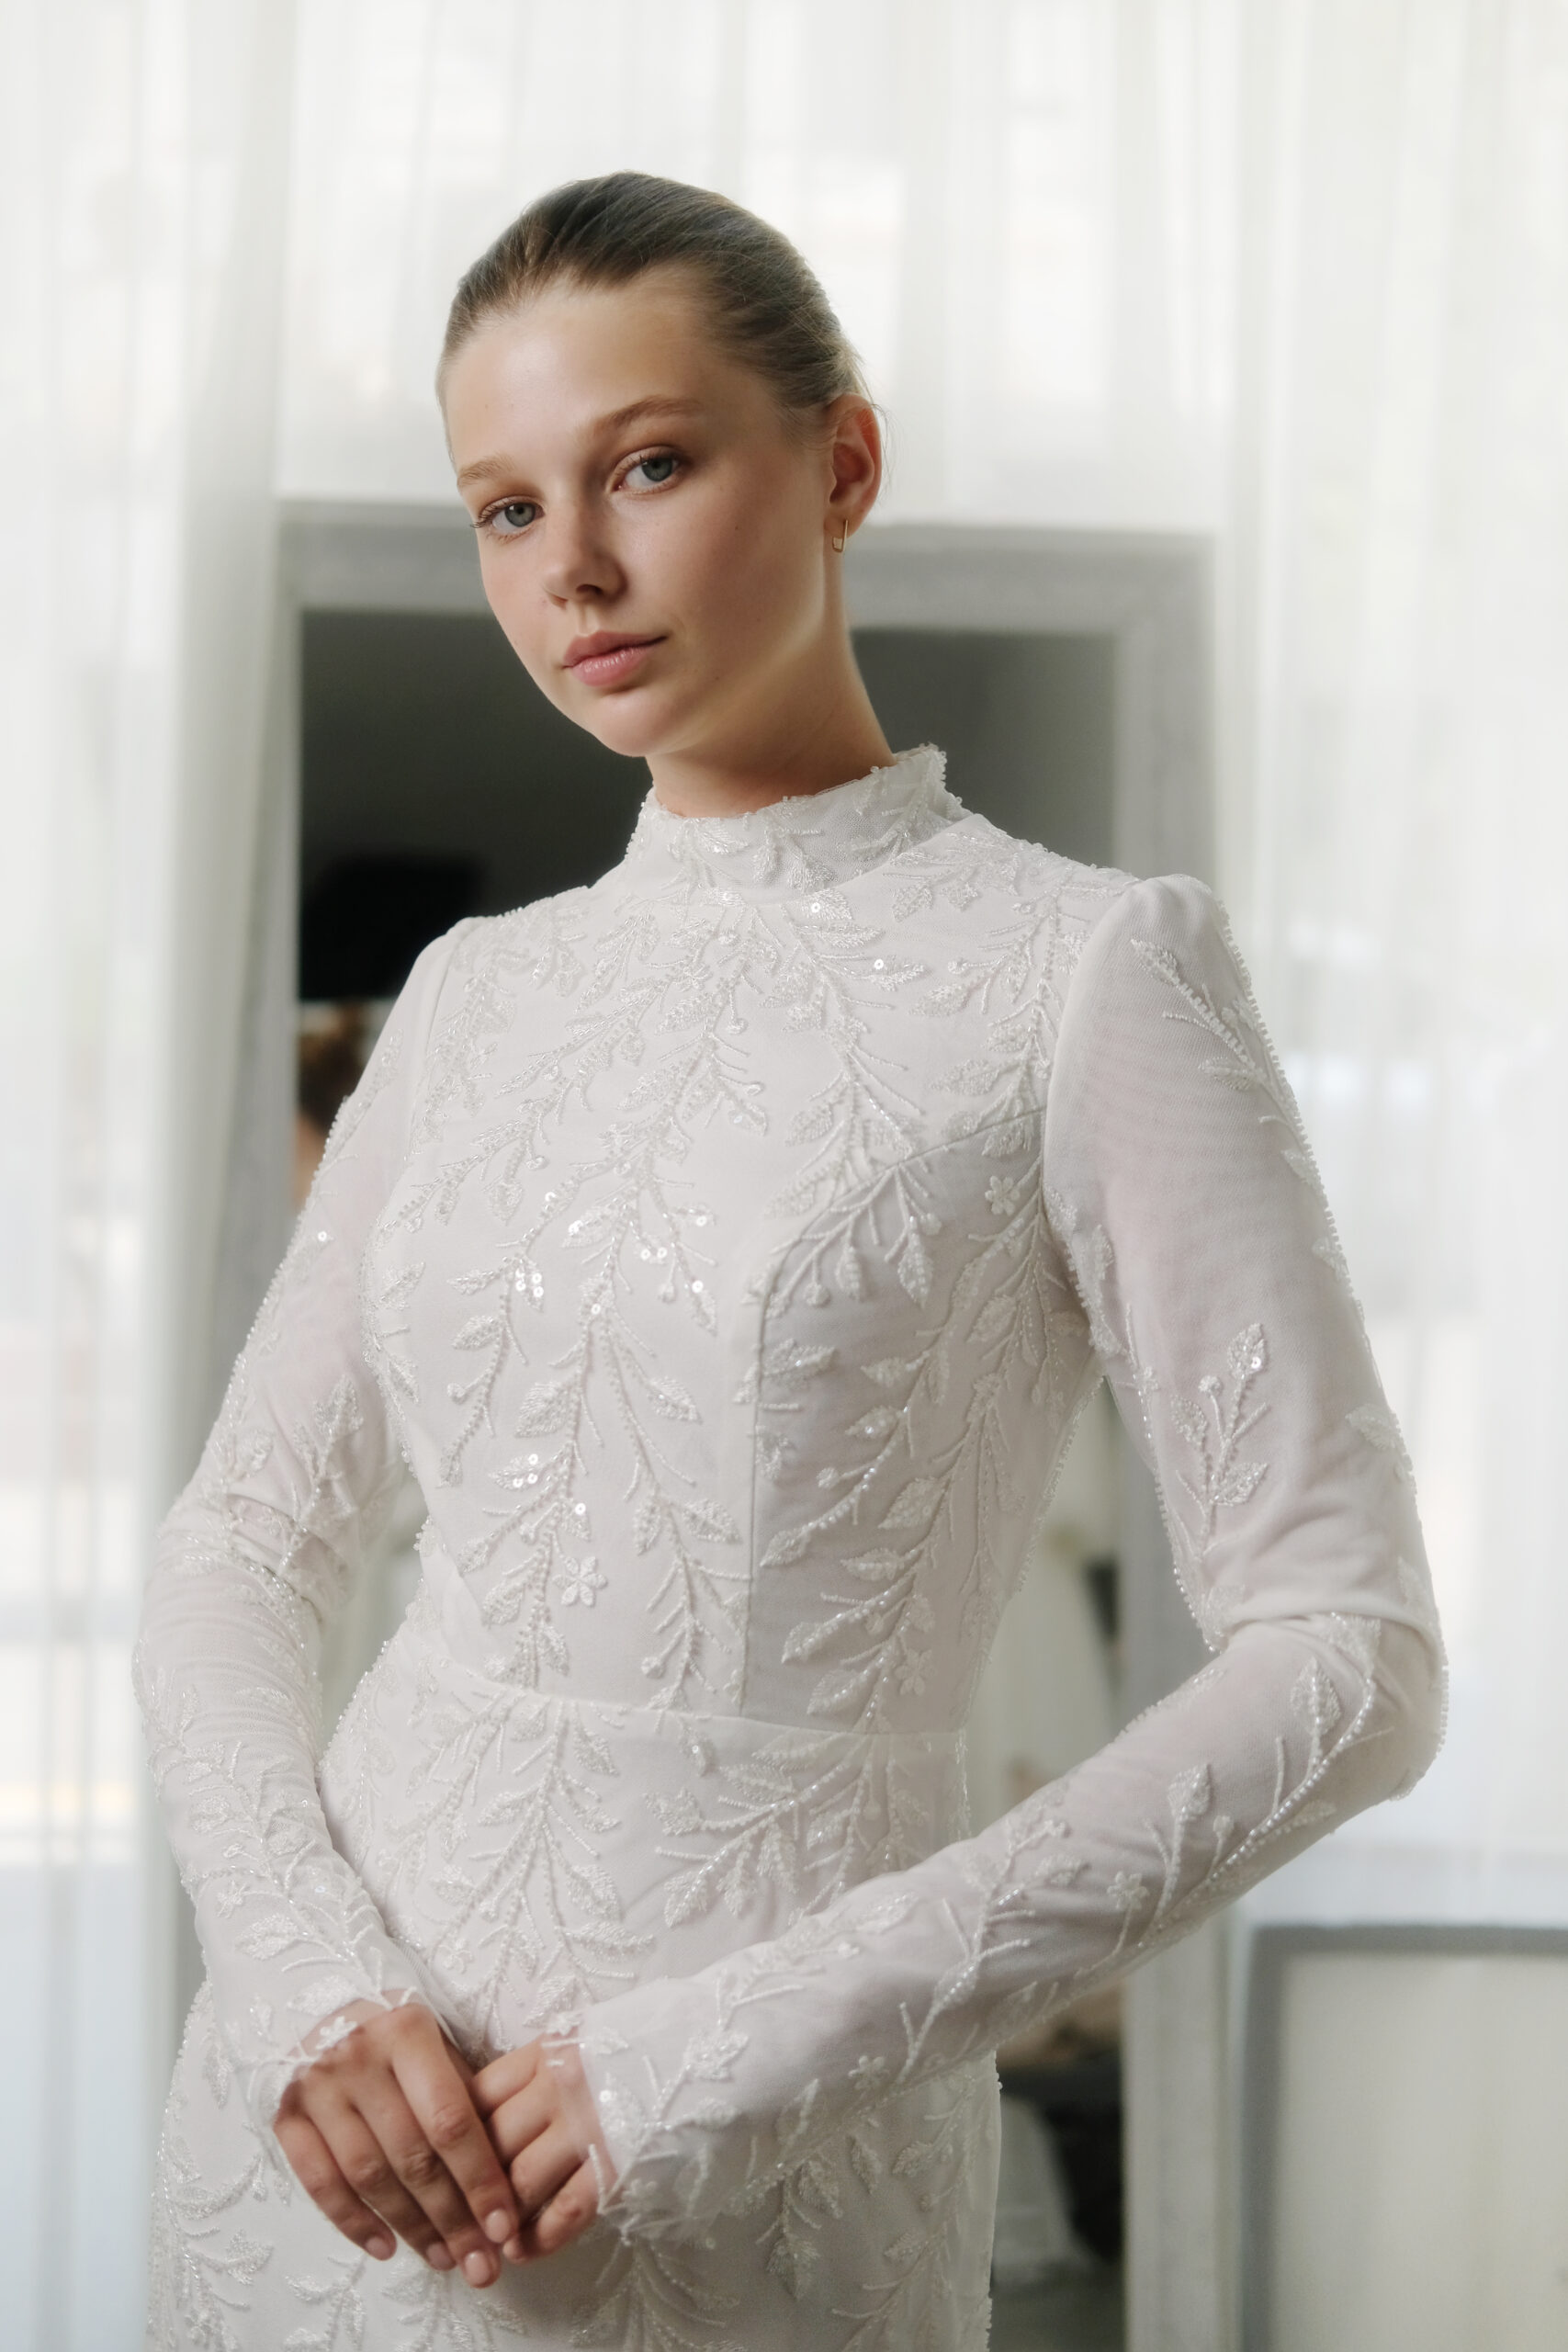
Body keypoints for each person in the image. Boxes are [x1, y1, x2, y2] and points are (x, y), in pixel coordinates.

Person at [137, 171, 1445, 2349]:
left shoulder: (1082, 974)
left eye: (644, 465)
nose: (569, 565)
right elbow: (240, 1543)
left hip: (748, 2155)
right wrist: (304, 1981)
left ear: (841, 463)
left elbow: (1350, 1655)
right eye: (501, 507)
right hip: (324, 2129)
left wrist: (712, 2058)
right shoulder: (471, 993)